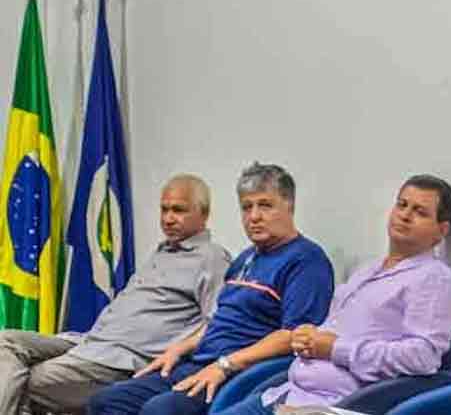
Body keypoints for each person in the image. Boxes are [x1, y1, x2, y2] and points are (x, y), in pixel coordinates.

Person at [88, 163, 336, 415]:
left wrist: (225, 364)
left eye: (265, 205)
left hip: (243, 372)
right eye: (246, 207)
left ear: (289, 205)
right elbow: (220, 318)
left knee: (160, 410)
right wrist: (180, 348)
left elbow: (292, 336)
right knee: (107, 400)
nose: (254, 217)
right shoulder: (246, 258)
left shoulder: (306, 261)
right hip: (199, 362)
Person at [221, 174, 451, 414]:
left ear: (441, 230)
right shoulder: (366, 270)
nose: (404, 215)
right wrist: (308, 337)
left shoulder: (434, 279)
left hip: (338, 405)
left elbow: (423, 358)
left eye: (419, 212)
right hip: (286, 392)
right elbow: (337, 330)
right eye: (401, 205)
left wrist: (336, 348)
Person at [0, 174, 230, 415]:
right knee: (5, 341)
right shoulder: (162, 252)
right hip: (88, 341)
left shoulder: (212, 258)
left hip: (119, 359)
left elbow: (217, 322)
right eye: (164, 209)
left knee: (24, 382)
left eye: (178, 210)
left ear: (204, 214)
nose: (168, 219)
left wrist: (179, 349)